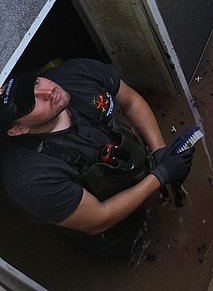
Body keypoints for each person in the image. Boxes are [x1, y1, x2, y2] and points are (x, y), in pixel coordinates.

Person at [0, 58, 193, 261]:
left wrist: (158, 150)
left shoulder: (77, 74)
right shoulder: (28, 178)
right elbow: (99, 218)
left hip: (136, 166)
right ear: (18, 129)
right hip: (111, 227)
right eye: (30, 102)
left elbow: (131, 102)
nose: (47, 92)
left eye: (36, 83)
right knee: (143, 251)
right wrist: (160, 176)